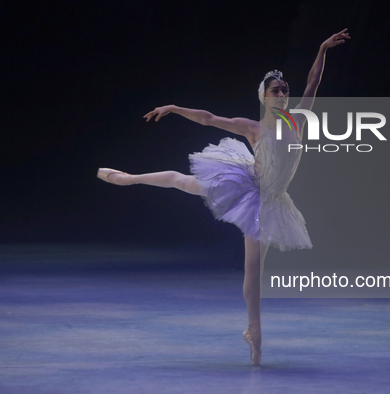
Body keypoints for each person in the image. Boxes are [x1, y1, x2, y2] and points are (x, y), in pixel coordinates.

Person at [97, 28, 350, 366]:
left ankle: (254, 334)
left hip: (272, 199)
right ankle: (130, 179)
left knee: (255, 270)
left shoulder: (298, 119)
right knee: (184, 182)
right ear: (264, 96)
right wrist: (174, 107)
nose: (282, 94)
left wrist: (321, 49)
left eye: (284, 90)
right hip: (248, 190)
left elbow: (313, 83)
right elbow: (209, 119)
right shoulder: (253, 128)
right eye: (275, 90)